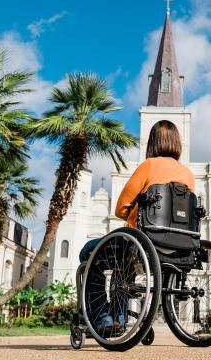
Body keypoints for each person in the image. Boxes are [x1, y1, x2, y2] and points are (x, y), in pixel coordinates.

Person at [78, 120, 195, 331]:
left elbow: (121, 208)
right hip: (179, 248)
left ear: (152, 143)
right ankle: (118, 320)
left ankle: (105, 318)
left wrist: (138, 212)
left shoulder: (149, 166)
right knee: (124, 264)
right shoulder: (188, 175)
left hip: (144, 242)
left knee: (88, 252)